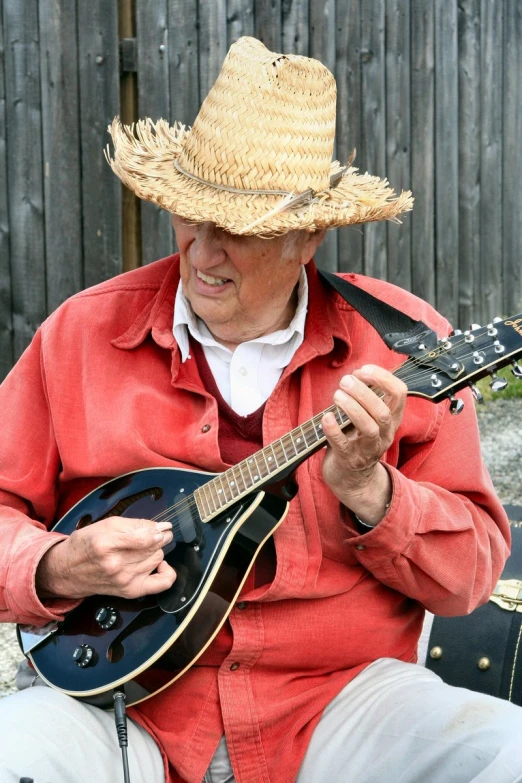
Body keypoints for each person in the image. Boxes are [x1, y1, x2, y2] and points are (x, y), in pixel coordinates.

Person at [0, 36, 519, 783]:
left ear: (309, 234)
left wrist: (373, 493)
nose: (203, 254)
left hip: (337, 701)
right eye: (189, 217)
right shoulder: (80, 334)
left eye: (238, 228)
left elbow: (470, 575)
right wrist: (55, 562)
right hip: (120, 707)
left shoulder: (400, 344)